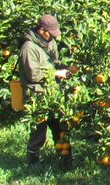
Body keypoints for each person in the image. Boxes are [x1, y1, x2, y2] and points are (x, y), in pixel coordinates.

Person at [19, 14, 72, 165]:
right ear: (42, 30)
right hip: (36, 96)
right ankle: (32, 164)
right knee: (38, 132)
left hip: (52, 93)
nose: (53, 37)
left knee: (60, 128)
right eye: (51, 33)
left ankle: (65, 161)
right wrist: (56, 73)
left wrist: (66, 68)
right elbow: (33, 75)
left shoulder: (50, 42)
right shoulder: (29, 48)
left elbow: (54, 62)